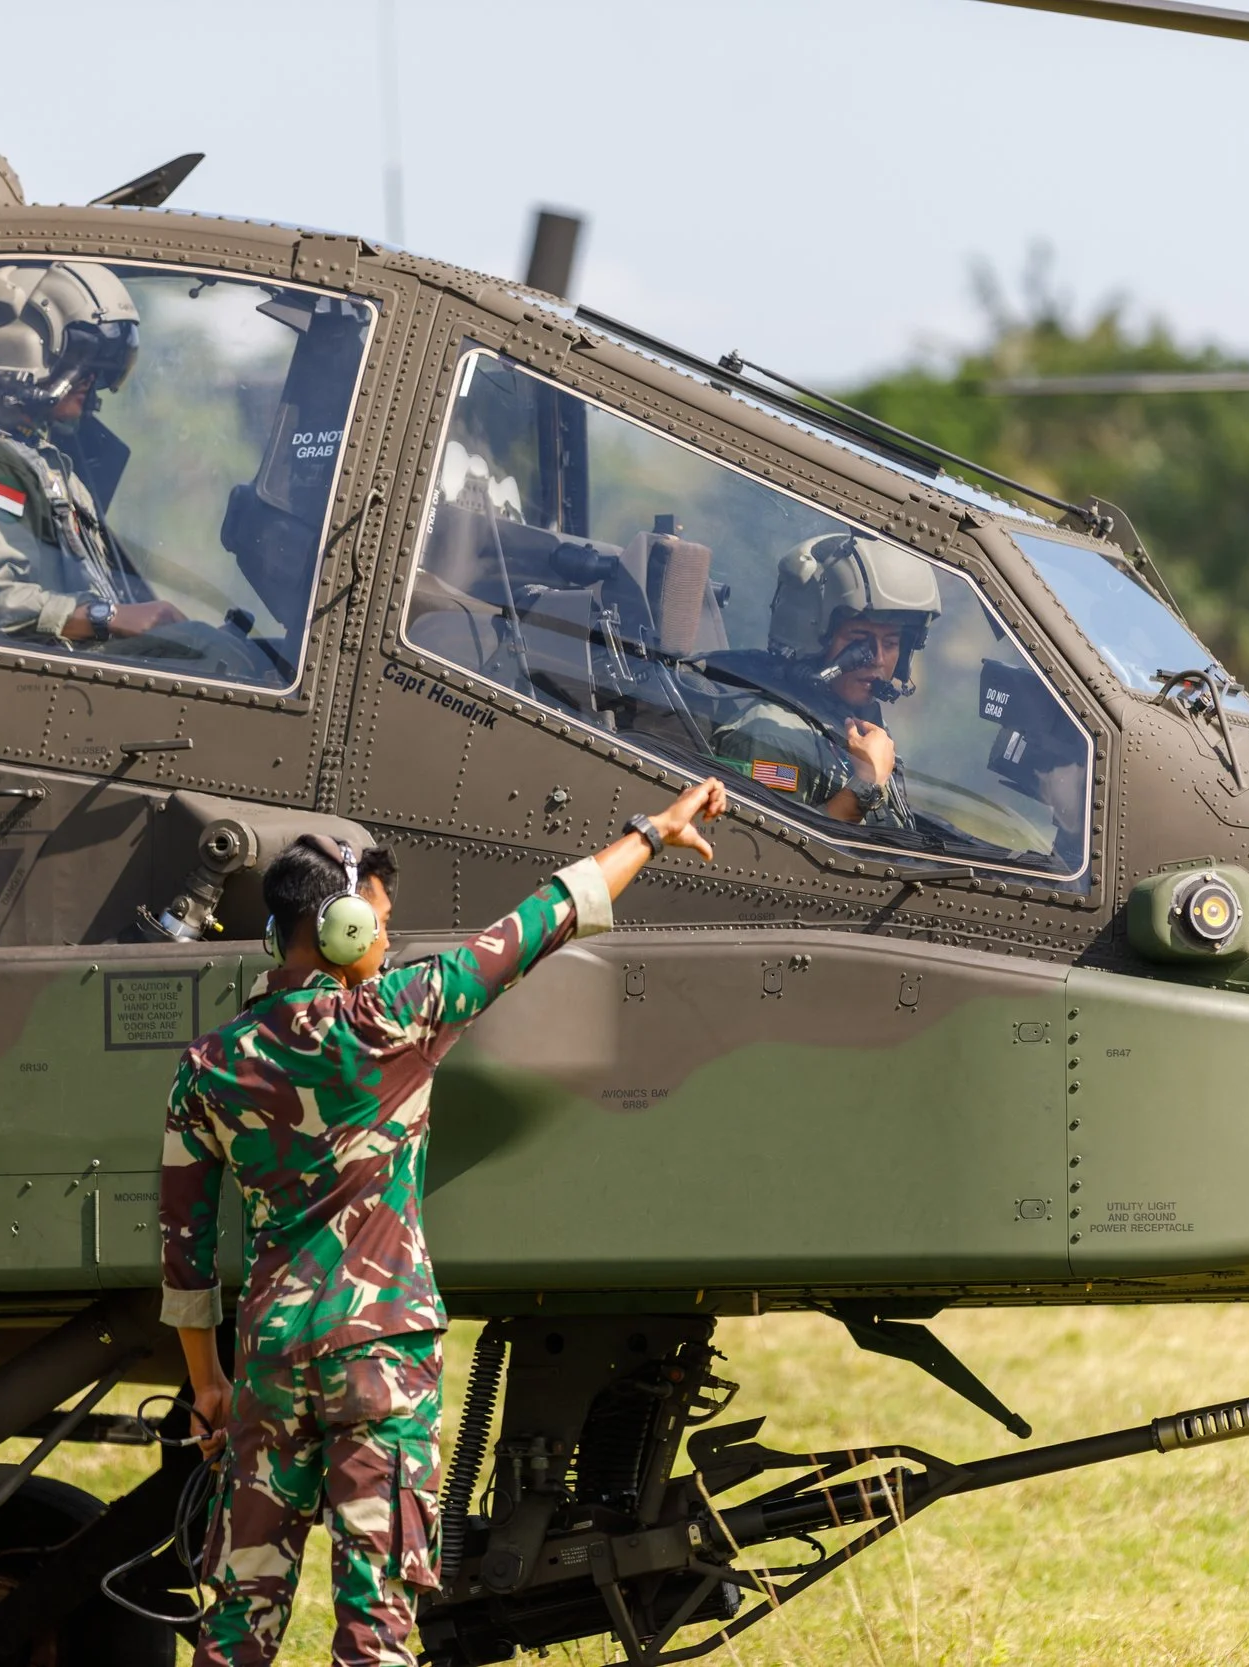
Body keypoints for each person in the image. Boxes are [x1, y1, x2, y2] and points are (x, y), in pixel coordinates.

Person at [159, 777, 730, 1667]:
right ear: (341, 927)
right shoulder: (395, 1017)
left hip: (269, 1362)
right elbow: (546, 919)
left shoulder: (209, 1063)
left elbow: (185, 1253)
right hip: (381, 1357)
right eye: (377, 921)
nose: (385, 940)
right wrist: (652, 833)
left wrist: (207, 1386)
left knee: (236, 1622)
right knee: (376, 1622)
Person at [0, 261, 187, 649]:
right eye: (82, 360)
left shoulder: (49, 465)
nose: (92, 379)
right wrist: (109, 618)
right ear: (26, 350)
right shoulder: (3, 467)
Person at [712, 532, 942, 826]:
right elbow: (773, 854)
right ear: (811, 640)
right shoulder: (774, 737)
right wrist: (866, 784)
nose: (878, 659)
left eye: (892, 643)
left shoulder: (853, 729)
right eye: (860, 641)